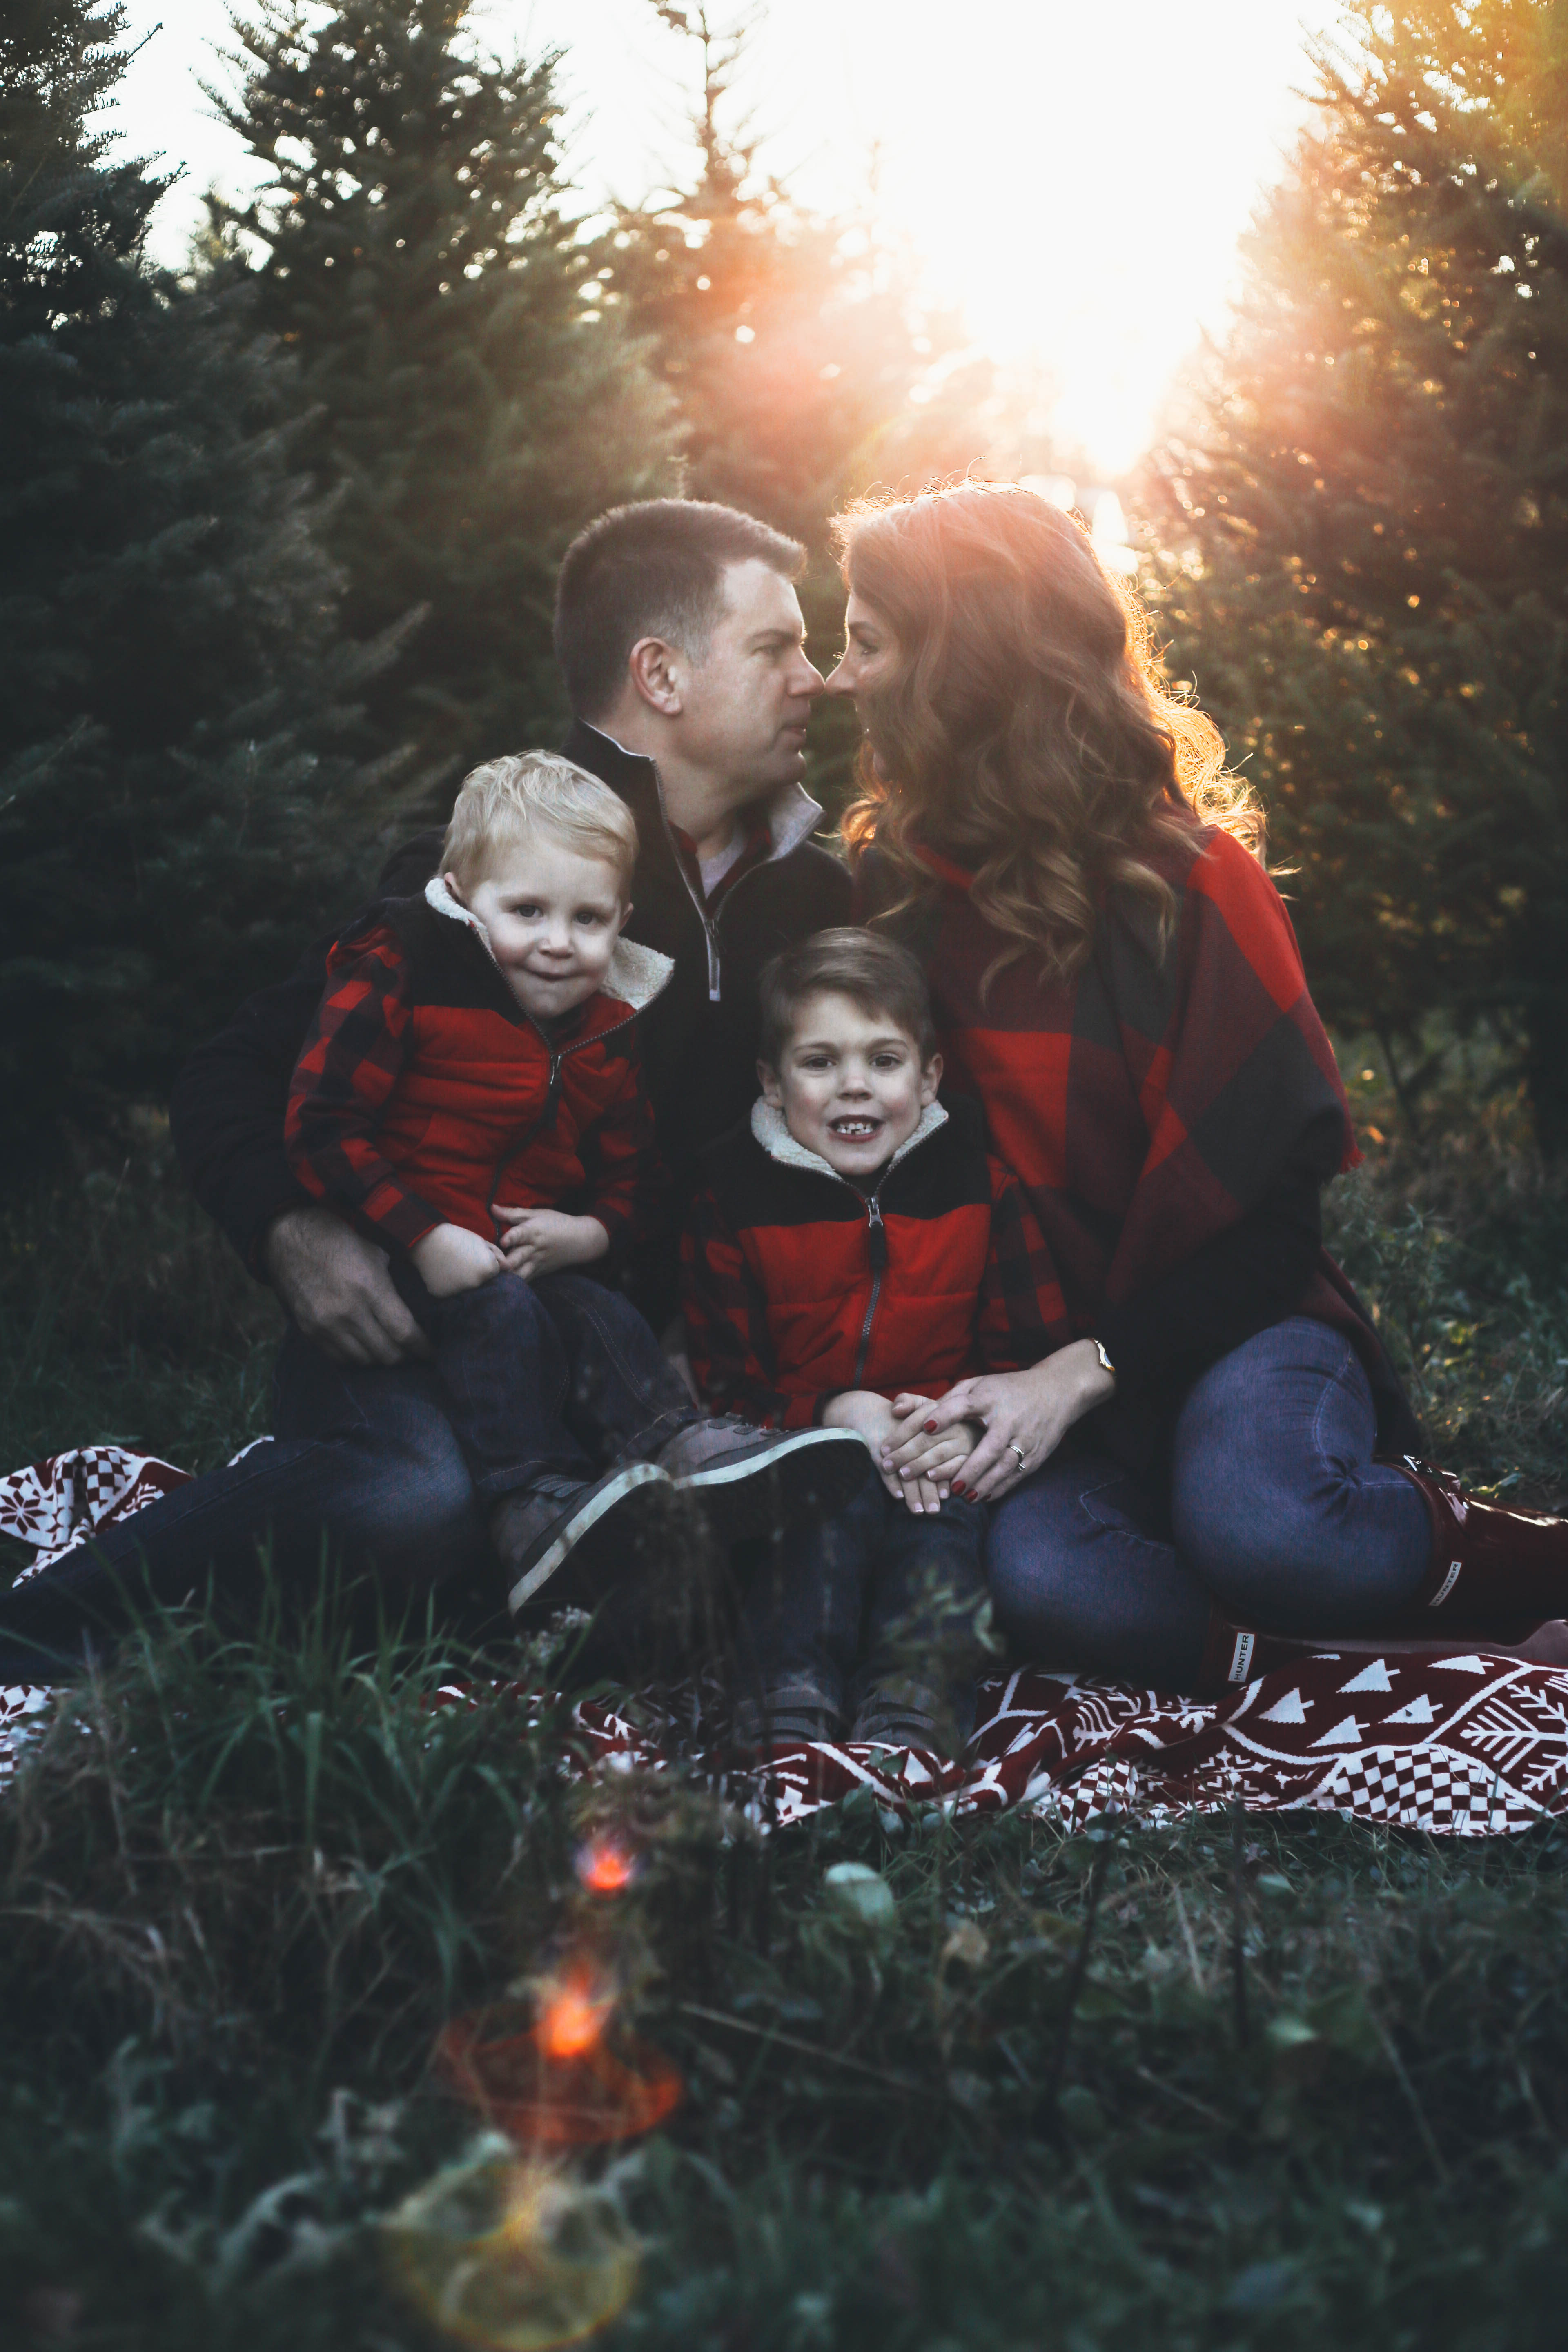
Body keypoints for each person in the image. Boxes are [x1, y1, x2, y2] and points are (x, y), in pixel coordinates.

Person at [0, 500, 851, 1679]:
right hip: (434, 1317)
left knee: (794, 1521)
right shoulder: (499, 864)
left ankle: (546, 1564)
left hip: (631, 1354)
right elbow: (234, 1075)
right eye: (779, 648)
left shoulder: (819, 897)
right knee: (411, 1507)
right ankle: (32, 1637)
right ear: (660, 672)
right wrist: (294, 1231)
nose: (819, 680)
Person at [822, 481, 1568, 1694]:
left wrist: (1083, 1371)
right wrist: (959, 1394)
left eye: (864, 641)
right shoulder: (886, 896)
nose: (840, 679)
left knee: (1264, 1523)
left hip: (1232, 1332)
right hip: (1018, 1370)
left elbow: (1275, 1231)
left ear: (962, 663)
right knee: (1053, 1583)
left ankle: (1524, 1570)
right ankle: (1420, 1661)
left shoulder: (1195, 887)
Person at [285, 752, 865, 1615]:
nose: (558, 944)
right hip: (406, 1256)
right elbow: (321, 1124)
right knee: (505, 1309)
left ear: (622, 918)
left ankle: (682, 1449)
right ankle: (531, 1506)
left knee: (595, 1308)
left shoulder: (605, 1024)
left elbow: (634, 1172)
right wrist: (422, 1235)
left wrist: (590, 1233)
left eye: (589, 919)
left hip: (516, 1255)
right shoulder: (402, 965)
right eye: (527, 912)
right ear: (463, 897)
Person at [681, 930, 1053, 1751]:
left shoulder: (981, 1187)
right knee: (818, 1521)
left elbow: (1023, 1352)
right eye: (820, 1064)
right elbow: (721, 1389)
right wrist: (832, 1412)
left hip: (935, 1456)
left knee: (943, 1536)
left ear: (929, 1079)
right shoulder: (731, 1194)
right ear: (773, 1085)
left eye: (884, 1062)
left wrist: (964, 1425)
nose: (855, 1088)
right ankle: (786, 1693)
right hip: (803, 1455)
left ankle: (915, 1701)